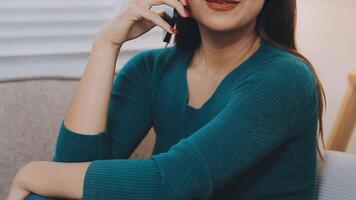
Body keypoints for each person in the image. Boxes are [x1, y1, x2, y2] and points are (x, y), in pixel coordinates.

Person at [7, 0, 327, 199]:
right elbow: (71, 177)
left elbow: (172, 184)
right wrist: (107, 44)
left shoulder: (285, 77)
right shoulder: (152, 70)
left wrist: (32, 172)